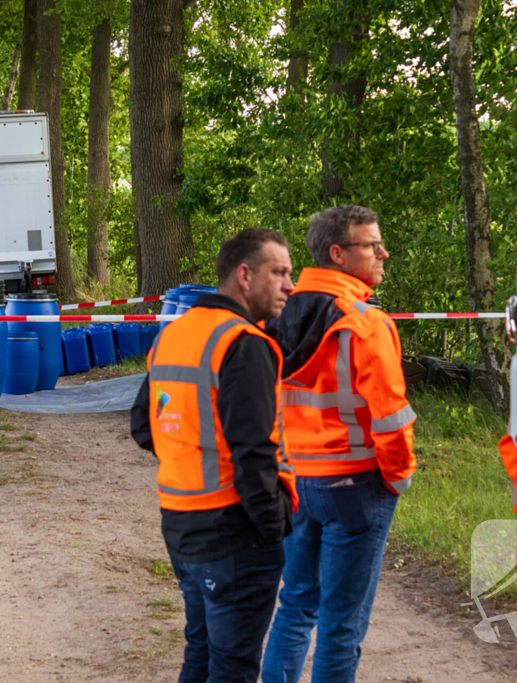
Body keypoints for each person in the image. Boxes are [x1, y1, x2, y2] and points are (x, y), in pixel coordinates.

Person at [131, 228, 299, 683]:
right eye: (279, 272)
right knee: (233, 668)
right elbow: (255, 452)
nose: (290, 285)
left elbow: (143, 426)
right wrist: (274, 527)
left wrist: (189, 456)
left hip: (180, 520)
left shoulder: (175, 335)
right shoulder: (245, 344)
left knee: (202, 653)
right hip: (234, 535)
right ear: (245, 276)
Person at [261, 205, 417, 683]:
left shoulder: (277, 315)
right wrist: (398, 477)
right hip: (358, 485)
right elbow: (390, 418)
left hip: (296, 480)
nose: (383, 253)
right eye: (372, 245)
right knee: (341, 623)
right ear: (338, 254)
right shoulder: (365, 323)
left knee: (296, 604)